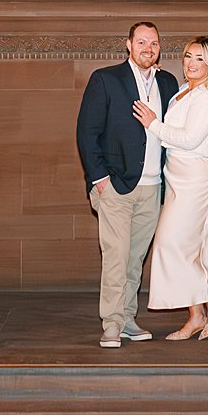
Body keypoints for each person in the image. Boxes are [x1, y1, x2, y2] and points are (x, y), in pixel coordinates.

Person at [75, 21, 181, 348]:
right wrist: (100, 179)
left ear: (160, 49)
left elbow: (176, 127)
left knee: (135, 259)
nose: (148, 48)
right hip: (116, 187)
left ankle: (127, 318)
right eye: (142, 42)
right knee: (117, 257)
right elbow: (86, 133)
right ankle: (111, 323)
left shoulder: (167, 81)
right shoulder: (106, 79)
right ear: (128, 45)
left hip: (153, 190)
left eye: (154, 43)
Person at [138, 36, 208, 340]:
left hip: (196, 179)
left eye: (200, 59)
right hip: (178, 177)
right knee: (192, 250)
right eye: (188, 57)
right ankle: (196, 316)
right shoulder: (183, 91)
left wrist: (153, 124)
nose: (191, 64)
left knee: (170, 245)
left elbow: (190, 139)